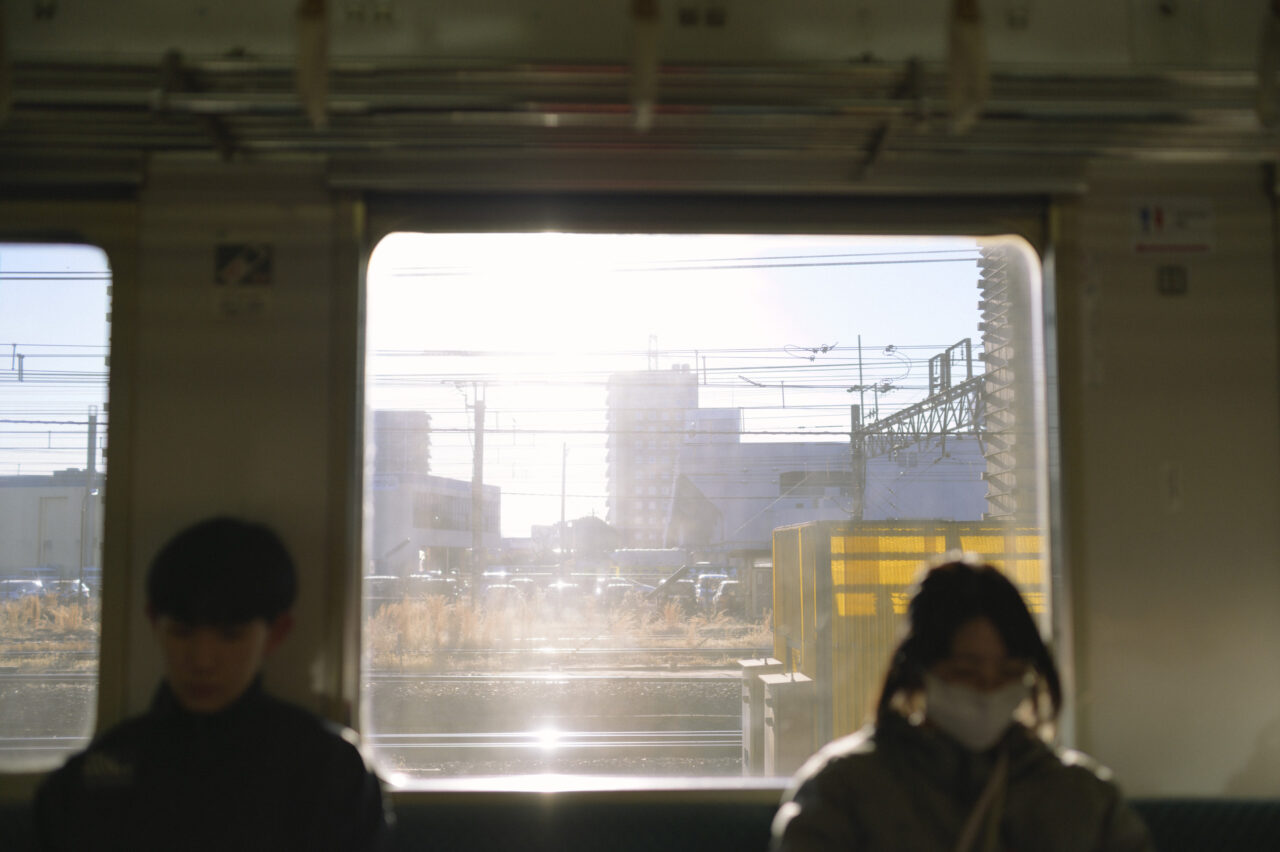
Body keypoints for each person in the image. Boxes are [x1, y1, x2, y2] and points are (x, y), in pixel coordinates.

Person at [34, 516, 392, 852]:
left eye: (231, 635)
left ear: (276, 634)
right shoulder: (92, 776)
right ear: (154, 623)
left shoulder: (329, 772)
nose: (202, 661)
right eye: (182, 632)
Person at [771, 556, 1153, 852]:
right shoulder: (842, 790)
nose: (988, 690)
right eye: (965, 673)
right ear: (918, 672)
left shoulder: (1084, 797)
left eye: (1009, 673)